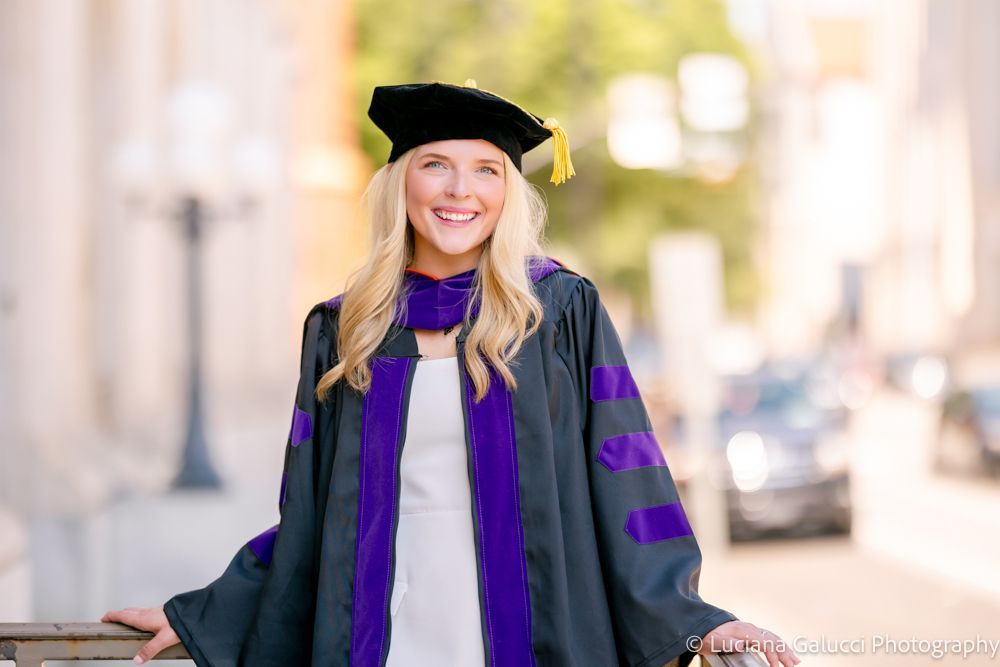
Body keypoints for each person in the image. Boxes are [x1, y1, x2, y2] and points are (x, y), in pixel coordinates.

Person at [103, 80, 800, 667]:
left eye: (486, 169)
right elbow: (312, 515)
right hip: (384, 632)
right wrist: (205, 616)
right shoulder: (346, 328)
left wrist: (693, 616)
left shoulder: (558, 312)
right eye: (436, 163)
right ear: (400, 180)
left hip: (535, 628)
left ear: (508, 191)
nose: (460, 189)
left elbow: (626, 477)